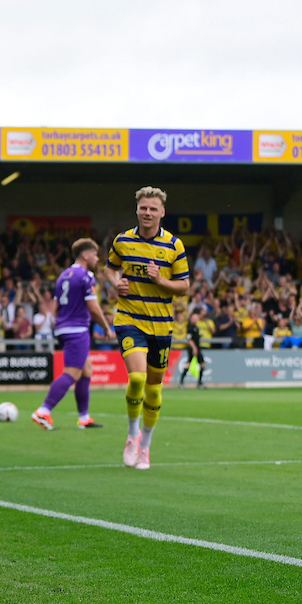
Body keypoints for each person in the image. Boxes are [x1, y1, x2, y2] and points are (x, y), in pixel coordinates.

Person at [104, 186, 189, 470]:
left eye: (153, 208)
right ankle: (131, 434)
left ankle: (146, 447)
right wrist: (116, 283)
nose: (148, 213)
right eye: (144, 208)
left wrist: (161, 281)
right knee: (137, 379)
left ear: (162, 212)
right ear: (137, 210)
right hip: (129, 319)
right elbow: (110, 267)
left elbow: (184, 286)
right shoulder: (123, 240)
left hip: (162, 326)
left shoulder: (174, 245)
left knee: (153, 389)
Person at [31, 238, 113, 431]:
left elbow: (56, 306)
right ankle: (43, 411)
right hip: (77, 329)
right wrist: (106, 327)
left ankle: (84, 418)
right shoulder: (85, 276)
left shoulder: (63, 276)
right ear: (85, 255)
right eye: (94, 254)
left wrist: (60, 324)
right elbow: (93, 308)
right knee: (72, 373)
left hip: (63, 327)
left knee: (86, 371)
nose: (96, 258)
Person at [179, 310, 206, 389]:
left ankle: (199, 382)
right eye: (194, 318)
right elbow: (189, 339)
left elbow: (195, 338)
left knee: (202, 365)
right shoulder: (190, 327)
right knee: (188, 365)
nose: (195, 319)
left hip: (197, 348)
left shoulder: (196, 328)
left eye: (196, 318)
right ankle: (181, 382)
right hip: (192, 349)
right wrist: (194, 348)